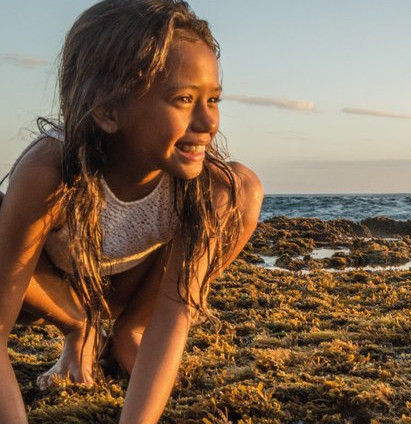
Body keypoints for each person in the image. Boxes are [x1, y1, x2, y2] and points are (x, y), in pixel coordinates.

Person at [0, 0, 263, 422]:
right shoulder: (48, 171)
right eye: (182, 99)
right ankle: (79, 328)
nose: (208, 121)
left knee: (243, 190)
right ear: (108, 110)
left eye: (212, 98)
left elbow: (175, 316)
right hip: (46, 287)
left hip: (129, 288)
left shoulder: (205, 187)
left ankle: (126, 333)